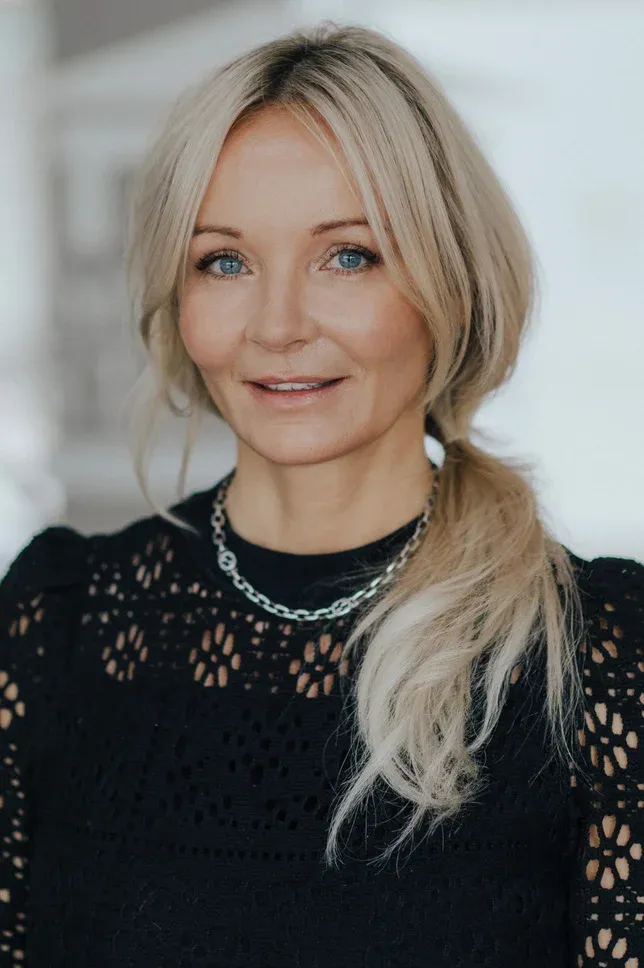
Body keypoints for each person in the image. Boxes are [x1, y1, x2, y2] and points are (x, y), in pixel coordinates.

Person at [1, 19, 642, 968]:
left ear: (452, 283)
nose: (277, 325)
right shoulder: (57, 619)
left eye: (348, 256)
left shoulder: (601, 656)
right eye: (224, 261)